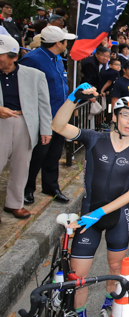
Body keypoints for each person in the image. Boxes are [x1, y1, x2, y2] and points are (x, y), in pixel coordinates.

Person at [53, 89, 129, 317]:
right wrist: (73, 98)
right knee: (78, 277)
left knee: (115, 268)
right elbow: (58, 125)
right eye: (126, 115)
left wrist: (100, 213)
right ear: (115, 117)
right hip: (88, 216)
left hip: (117, 216)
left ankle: (108, 305)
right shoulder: (95, 138)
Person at [19, 25, 77, 204]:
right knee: (38, 154)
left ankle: (51, 186)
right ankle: (26, 189)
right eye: (66, 41)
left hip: (59, 115)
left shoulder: (58, 58)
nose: (67, 43)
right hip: (42, 117)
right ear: (58, 43)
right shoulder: (32, 59)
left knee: (54, 153)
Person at [0, 35, 52, 221]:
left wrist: (46, 129)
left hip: (25, 122)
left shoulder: (34, 75)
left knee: (22, 166)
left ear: (13, 56)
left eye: (1, 55)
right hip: (1, 121)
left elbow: (44, 104)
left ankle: (15, 204)